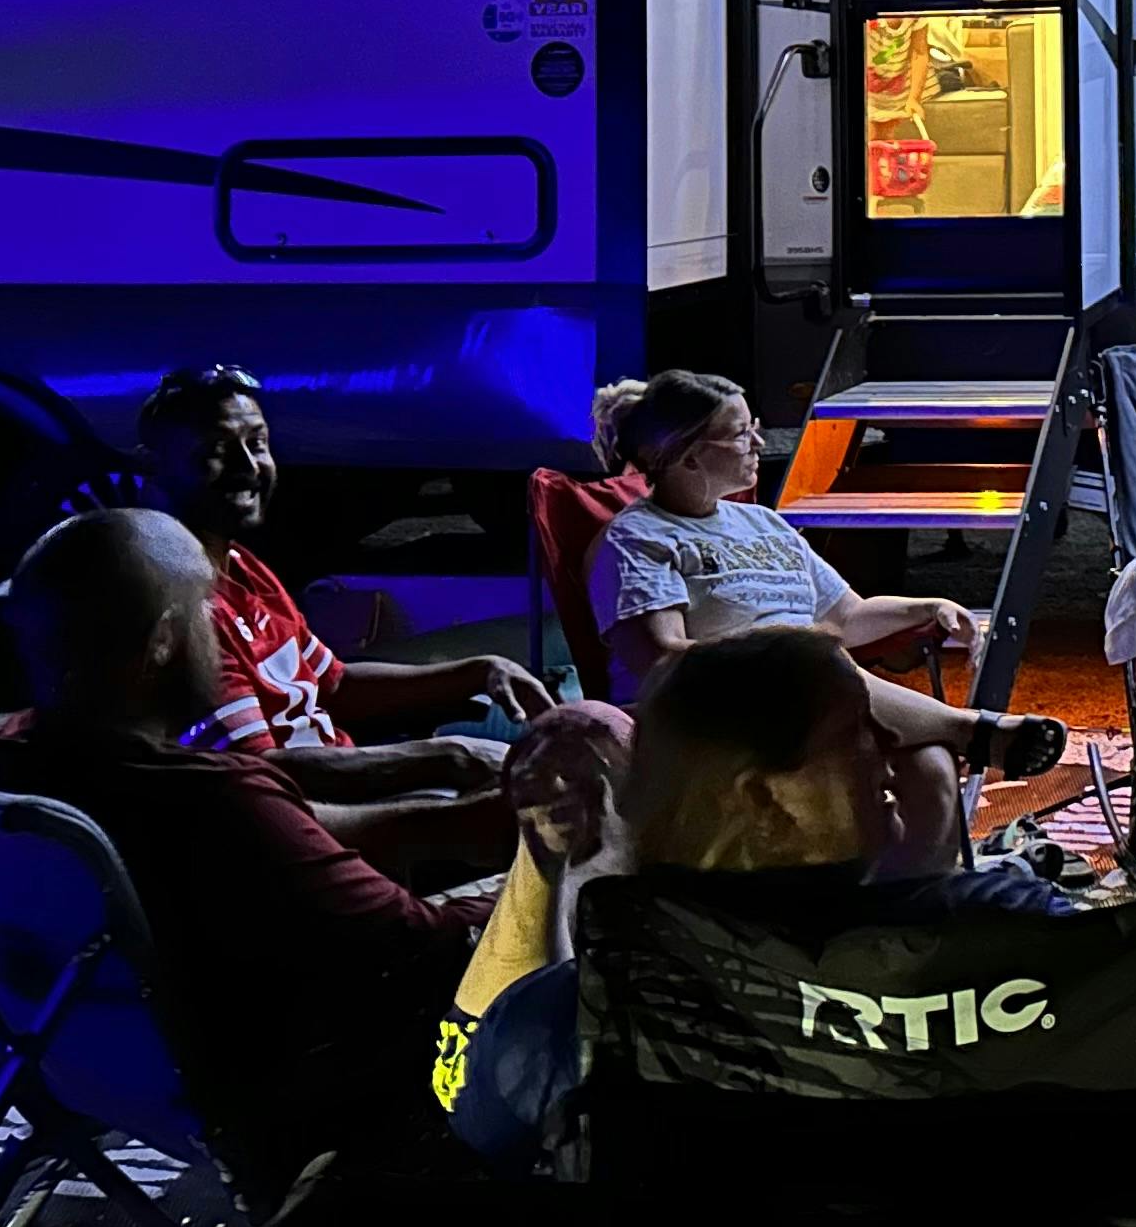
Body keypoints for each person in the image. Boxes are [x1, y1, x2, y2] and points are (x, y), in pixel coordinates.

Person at [0, 507, 486, 1200]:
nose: (222, 640)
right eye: (207, 619)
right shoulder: (210, 801)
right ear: (162, 644)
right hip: (284, 1080)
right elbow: (429, 944)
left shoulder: (5, 765)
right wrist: (553, 860)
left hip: (81, 1061)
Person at [444, 624, 1075, 1169]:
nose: (890, 743)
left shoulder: (578, 1013)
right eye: (858, 730)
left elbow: (478, 1118)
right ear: (763, 797)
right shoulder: (1009, 931)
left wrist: (547, 865)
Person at [590, 366, 1064, 847]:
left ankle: (919, 905)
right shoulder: (638, 538)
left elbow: (845, 616)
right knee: (816, 658)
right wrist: (779, 654)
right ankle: (972, 729)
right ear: (688, 456)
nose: (758, 443)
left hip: (818, 691)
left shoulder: (762, 524)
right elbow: (662, 657)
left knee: (931, 768)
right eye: (740, 433)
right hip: (714, 710)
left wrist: (927, 606)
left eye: (755, 428)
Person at [131, 363, 551, 876]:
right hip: (306, 829)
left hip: (346, 772)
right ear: (152, 466)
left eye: (258, 444)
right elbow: (262, 773)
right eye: (216, 452)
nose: (248, 466)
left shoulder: (241, 565)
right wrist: (447, 757)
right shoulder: (182, 608)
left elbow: (334, 683)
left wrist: (480, 669)